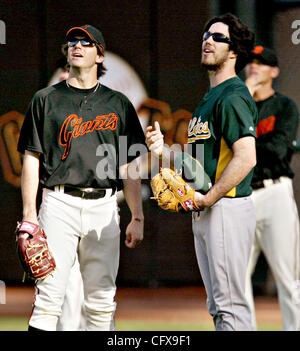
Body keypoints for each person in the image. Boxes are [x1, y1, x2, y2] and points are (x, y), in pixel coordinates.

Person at [17, 24, 146, 331]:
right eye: (73, 41)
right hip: (58, 203)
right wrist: (29, 217)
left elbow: (129, 166)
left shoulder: (118, 104)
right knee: (49, 300)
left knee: (101, 305)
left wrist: (137, 216)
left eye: (86, 43)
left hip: (103, 206)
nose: (77, 45)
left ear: (100, 55)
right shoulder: (46, 99)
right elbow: (31, 159)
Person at [146, 13, 257, 331]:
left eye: (218, 37)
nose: (208, 40)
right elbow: (197, 166)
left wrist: (209, 198)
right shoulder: (209, 98)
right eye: (206, 35)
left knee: (230, 307)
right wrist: (162, 152)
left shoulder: (233, 95)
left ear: (233, 50)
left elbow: (246, 158)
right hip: (208, 206)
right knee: (219, 306)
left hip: (226, 206)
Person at [244, 45, 300, 331]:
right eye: (251, 61)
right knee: (238, 280)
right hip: (241, 196)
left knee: (288, 280)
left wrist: (241, 147)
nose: (255, 66)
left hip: (275, 192)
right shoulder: (236, 103)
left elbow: (277, 149)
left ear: (275, 71)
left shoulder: (285, 106)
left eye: (262, 62)